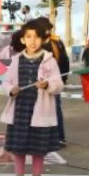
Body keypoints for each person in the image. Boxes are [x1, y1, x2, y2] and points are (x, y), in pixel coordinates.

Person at [0, 19, 64, 176]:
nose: (32, 41)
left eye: (36, 37)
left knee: (38, 152)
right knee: (18, 151)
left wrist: (47, 85)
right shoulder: (16, 60)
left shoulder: (49, 60)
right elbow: (6, 82)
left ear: (43, 39)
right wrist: (10, 90)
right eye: (28, 37)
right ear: (22, 40)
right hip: (20, 112)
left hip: (40, 115)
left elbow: (59, 85)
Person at [35, 17, 70, 146]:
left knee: (51, 109)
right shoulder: (55, 41)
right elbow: (65, 60)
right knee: (51, 109)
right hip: (47, 82)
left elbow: (64, 61)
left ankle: (55, 137)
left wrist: (62, 80)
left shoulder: (51, 43)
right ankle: (55, 137)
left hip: (49, 82)